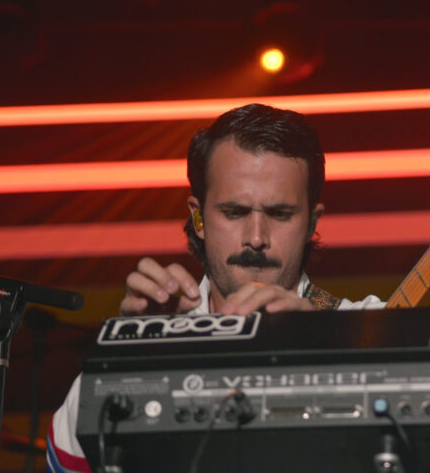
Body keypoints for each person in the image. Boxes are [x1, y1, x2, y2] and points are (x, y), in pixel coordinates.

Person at [46, 103, 385, 473]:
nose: (256, 238)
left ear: (311, 223)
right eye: (234, 212)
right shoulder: (142, 342)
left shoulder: (367, 331)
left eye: (280, 214)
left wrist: (323, 346)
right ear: (198, 217)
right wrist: (136, 355)